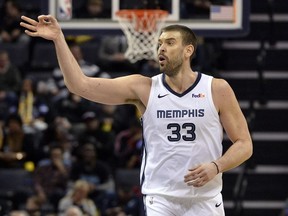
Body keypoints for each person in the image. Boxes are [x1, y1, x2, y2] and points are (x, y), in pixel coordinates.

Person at [20, 15, 253, 216]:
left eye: (170, 43)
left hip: (205, 198)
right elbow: (81, 86)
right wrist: (59, 39)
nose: (161, 48)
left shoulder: (217, 89)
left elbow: (244, 144)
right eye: (160, 43)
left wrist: (216, 165)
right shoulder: (144, 88)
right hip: (161, 198)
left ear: (188, 50)